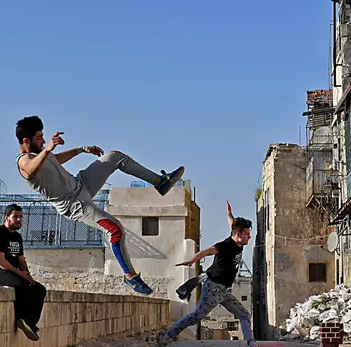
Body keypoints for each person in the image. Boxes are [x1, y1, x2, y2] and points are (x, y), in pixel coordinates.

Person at [15, 115, 185, 294]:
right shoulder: (23, 162)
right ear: (26, 141)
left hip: (81, 184)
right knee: (115, 229)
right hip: (75, 205)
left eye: (43, 136)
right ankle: (130, 277)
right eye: (39, 138)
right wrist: (48, 148)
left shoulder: (42, 154)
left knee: (115, 157)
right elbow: (32, 167)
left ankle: (160, 182)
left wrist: (81, 149)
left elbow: (56, 159)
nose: (43, 141)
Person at [159, 201, 255, 347]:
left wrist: (229, 212)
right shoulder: (224, 246)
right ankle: (167, 337)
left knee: (244, 315)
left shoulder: (237, 237)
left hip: (225, 291)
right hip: (213, 288)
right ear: (238, 234)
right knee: (196, 316)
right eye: (247, 234)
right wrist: (191, 260)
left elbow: (232, 222)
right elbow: (206, 251)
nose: (249, 237)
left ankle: (251, 343)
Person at [0, 204, 47, 342]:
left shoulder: (17, 237)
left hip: (12, 272)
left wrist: (27, 274)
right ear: (7, 218)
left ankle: (29, 323)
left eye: (21, 217)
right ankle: (21, 318)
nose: (19, 220)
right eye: (15, 217)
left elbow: (21, 259)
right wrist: (19, 273)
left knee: (39, 289)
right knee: (20, 284)